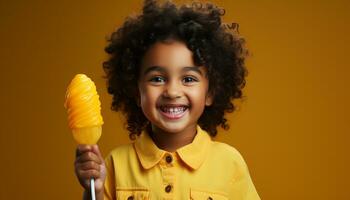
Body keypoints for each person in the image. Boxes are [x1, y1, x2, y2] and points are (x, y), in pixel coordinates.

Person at [75, 0, 260, 199]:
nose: (172, 92)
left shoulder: (229, 163)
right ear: (136, 91)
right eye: (157, 79)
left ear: (210, 92)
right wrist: (95, 188)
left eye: (188, 79)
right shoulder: (115, 164)